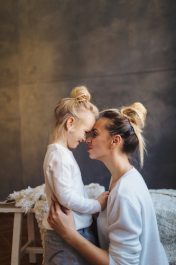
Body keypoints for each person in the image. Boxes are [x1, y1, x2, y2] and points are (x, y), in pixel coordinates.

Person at [48, 102, 169, 265]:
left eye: (94, 134)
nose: (87, 139)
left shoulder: (125, 193)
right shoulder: (121, 177)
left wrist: (69, 234)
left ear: (115, 141)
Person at [43, 86, 109, 265]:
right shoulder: (59, 154)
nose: (86, 139)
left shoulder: (62, 152)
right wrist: (96, 205)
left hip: (76, 231)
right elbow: (66, 197)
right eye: (85, 132)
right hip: (65, 238)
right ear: (70, 123)